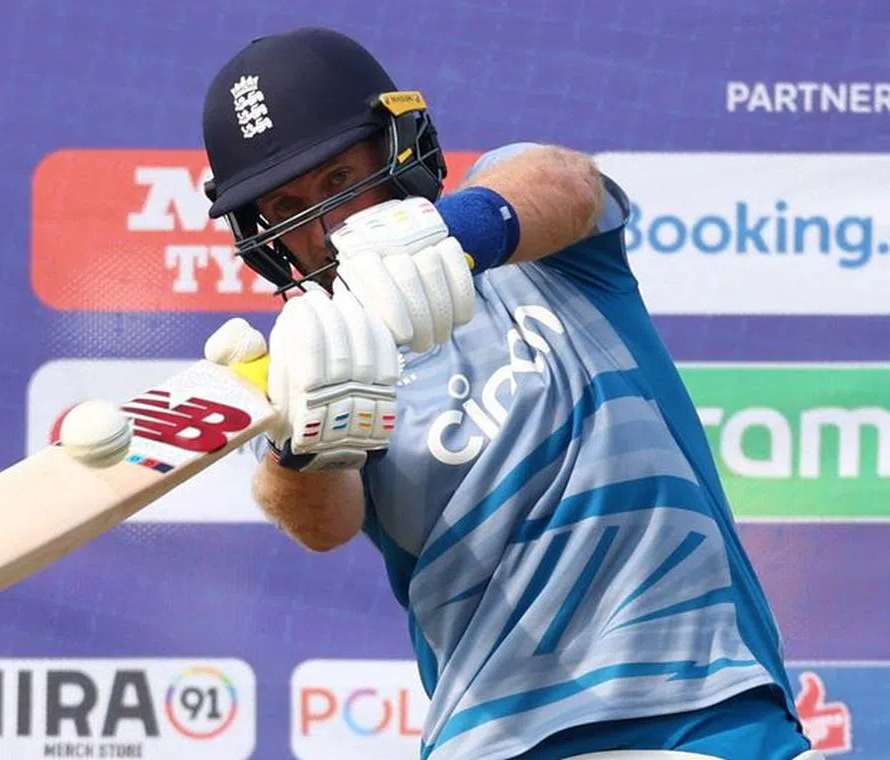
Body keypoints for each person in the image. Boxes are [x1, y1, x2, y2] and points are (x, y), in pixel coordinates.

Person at [198, 26, 820, 760]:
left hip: (709, 711)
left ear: (396, 147)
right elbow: (325, 526)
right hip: (498, 740)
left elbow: (568, 184)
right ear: (264, 234)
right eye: (288, 206)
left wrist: (448, 237)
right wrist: (303, 444)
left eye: (339, 179)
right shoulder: (319, 359)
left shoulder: (534, 247)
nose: (328, 227)